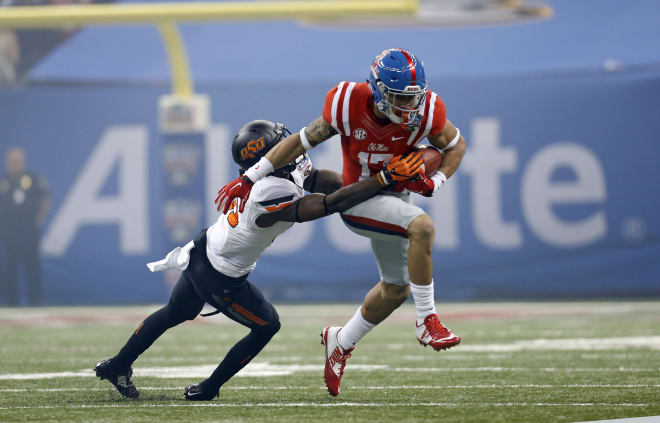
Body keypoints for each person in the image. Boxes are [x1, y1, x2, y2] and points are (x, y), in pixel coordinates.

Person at [94, 120, 423, 400]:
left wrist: (374, 186)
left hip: (203, 250)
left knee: (175, 312)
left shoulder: (280, 172)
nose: (292, 148)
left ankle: (118, 364)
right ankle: (210, 388)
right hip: (218, 273)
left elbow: (320, 179)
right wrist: (380, 181)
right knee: (267, 325)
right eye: (282, 146)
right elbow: (328, 204)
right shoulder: (267, 191)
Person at [215, 48, 467, 396]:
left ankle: (341, 340)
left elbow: (456, 147)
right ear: (378, 90)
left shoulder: (428, 111)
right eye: (399, 98)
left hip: (395, 200)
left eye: (414, 99)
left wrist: (433, 183)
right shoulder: (347, 101)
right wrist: (251, 177)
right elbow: (301, 141)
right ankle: (427, 321)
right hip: (358, 199)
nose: (409, 108)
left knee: (395, 290)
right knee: (422, 227)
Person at [0, 147, 50, 306]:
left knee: (32, 264)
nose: (14, 164)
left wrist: (39, 219)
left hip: (28, 229)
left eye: (17, 161)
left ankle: (35, 299)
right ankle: (10, 300)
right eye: (11, 161)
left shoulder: (33, 179)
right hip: (9, 230)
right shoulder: (3, 181)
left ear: (23, 162)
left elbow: (46, 198)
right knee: (9, 265)